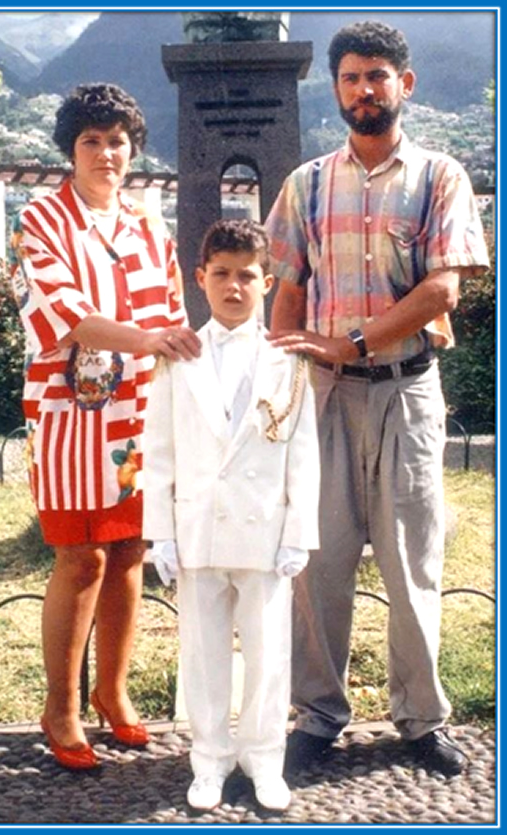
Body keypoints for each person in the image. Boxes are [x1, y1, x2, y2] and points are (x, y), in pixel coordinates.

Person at [265, 20, 490, 777]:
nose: (366, 88)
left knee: (410, 562)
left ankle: (421, 718)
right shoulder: (307, 184)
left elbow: (442, 287)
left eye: (379, 75)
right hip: (323, 399)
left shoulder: (439, 177)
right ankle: (318, 714)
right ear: (336, 89)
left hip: (404, 392)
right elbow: (288, 289)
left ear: (406, 84)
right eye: (352, 76)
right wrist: (284, 379)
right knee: (316, 562)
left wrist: (353, 342)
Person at [10, 82, 201, 770]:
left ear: (132, 148)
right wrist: (150, 340)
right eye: (91, 141)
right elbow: (65, 315)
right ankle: (60, 706)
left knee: (128, 554)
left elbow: (173, 307)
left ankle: (112, 694)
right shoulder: (40, 218)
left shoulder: (149, 225)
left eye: (116, 140)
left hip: (138, 413)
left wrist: (172, 352)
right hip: (67, 412)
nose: (106, 153)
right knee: (80, 555)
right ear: (72, 149)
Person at [142, 219, 320, 811]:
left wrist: (298, 533)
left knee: (270, 656)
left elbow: (303, 455)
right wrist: (159, 535)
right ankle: (210, 759)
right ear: (201, 279)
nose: (234, 286)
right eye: (221, 274)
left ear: (266, 282)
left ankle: (264, 759)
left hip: (264, 531)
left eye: (247, 275)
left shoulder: (287, 359)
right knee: (203, 652)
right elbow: (160, 452)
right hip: (198, 528)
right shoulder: (178, 356)